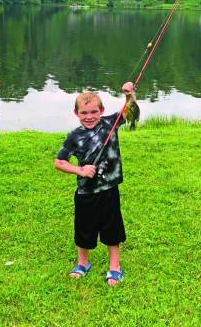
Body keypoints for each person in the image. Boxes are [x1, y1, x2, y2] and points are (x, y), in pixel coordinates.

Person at [54, 82, 135, 286]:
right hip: (86, 192)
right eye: (84, 112)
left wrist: (129, 95)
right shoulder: (74, 136)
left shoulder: (110, 123)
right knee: (84, 229)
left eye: (93, 112)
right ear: (76, 113)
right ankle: (83, 264)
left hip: (109, 190)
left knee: (112, 228)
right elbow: (59, 162)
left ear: (102, 111)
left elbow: (130, 111)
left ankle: (114, 268)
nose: (89, 116)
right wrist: (80, 170)